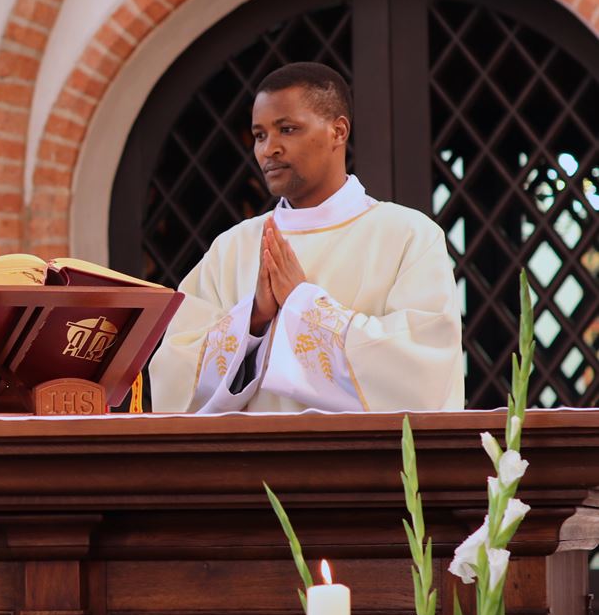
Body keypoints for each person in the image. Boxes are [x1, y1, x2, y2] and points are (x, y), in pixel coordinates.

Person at [148, 63, 464, 413]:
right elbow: (174, 375)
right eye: (259, 135)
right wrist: (251, 319)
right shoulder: (232, 247)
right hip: (250, 465)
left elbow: (423, 371)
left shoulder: (408, 235)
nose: (269, 149)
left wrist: (303, 304)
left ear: (338, 131)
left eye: (287, 129)